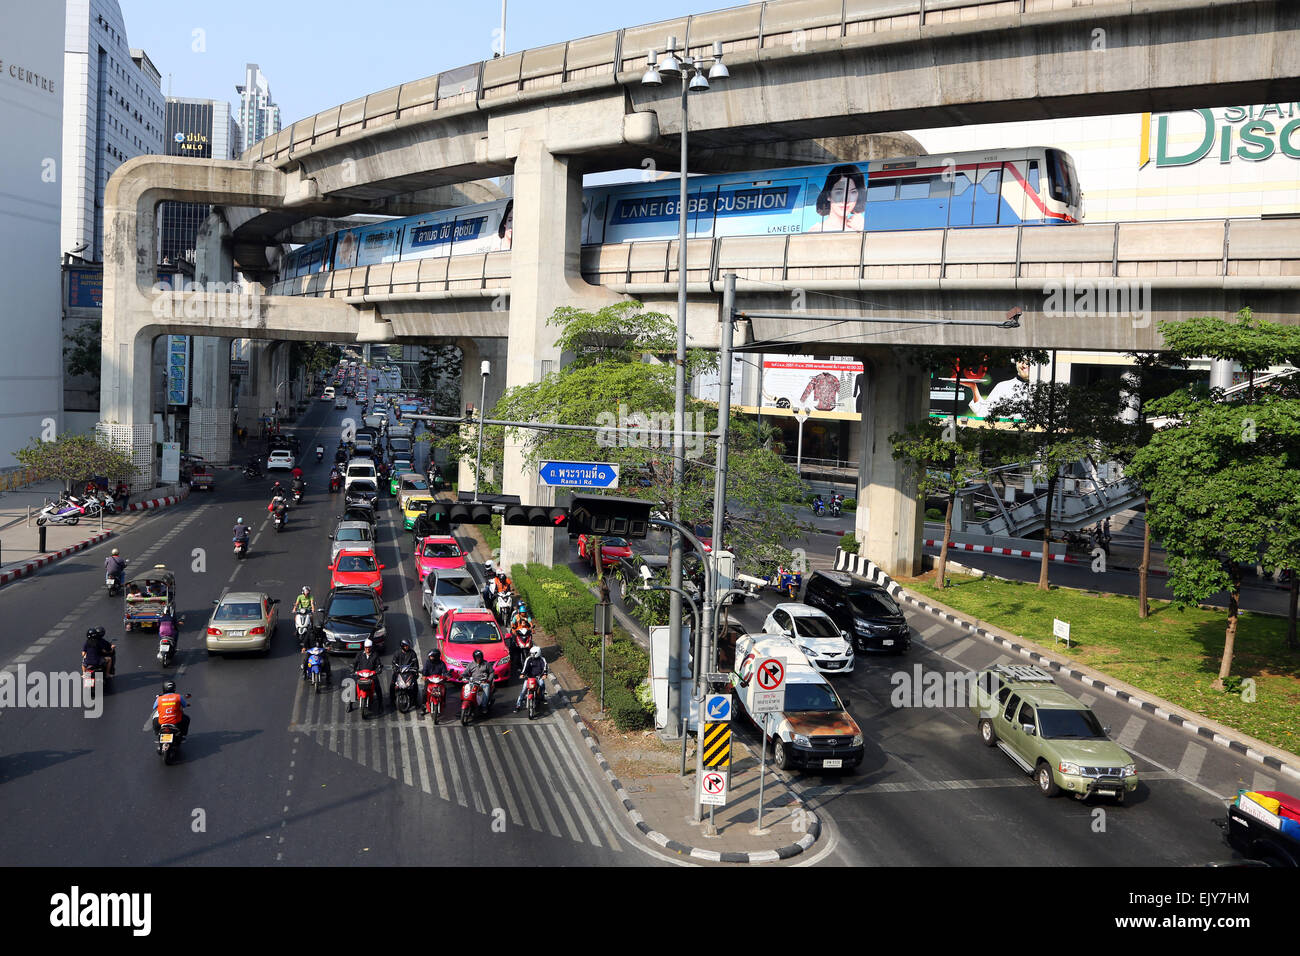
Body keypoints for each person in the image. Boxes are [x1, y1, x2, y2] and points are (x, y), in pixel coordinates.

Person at [809, 164, 866, 233]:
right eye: (839, 192)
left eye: (853, 192)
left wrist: (862, 230)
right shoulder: (817, 230)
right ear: (828, 195)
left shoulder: (859, 228)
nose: (846, 200)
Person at [352, 638, 383, 712]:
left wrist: (377, 670)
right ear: (364, 648)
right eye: (366, 648)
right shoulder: (359, 654)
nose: (367, 649)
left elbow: (379, 665)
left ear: (371, 647)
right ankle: (350, 705)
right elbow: (354, 663)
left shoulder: (375, 655)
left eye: (369, 648)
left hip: (371, 675)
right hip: (361, 675)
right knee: (354, 688)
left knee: (378, 688)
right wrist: (353, 669)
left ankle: (380, 704)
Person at [515, 645, 548, 712]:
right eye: (531, 653)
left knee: (542, 685)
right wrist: (522, 674)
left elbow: (545, 667)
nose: (531, 654)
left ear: (537, 653)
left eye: (533, 653)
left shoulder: (542, 659)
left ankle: (542, 697)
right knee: (524, 690)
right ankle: (518, 705)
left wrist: (545, 674)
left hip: (538, 677)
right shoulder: (528, 659)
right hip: (529, 677)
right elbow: (525, 667)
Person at [462, 648, 494, 712]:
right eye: (477, 657)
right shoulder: (471, 664)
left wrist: (488, 680)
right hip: (473, 681)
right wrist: (463, 676)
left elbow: (491, 672)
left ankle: (484, 706)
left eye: (479, 657)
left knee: (486, 687)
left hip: (483, 682)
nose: (478, 659)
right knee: (466, 688)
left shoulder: (486, 664)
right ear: (474, 658)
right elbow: (465, 672)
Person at [420, 649, 449, 718]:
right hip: (430, 680)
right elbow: (425, 670)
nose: (430, 658)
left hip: (439, 681)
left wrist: (446, 676)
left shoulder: (442, 663)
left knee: (444, 690)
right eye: (430, 656)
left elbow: (445, 672)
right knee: (424, 692)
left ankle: (443, 702)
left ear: (436, 657)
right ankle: (423, 706)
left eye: (432, 656)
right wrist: (424, 676)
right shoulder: (427, 662)